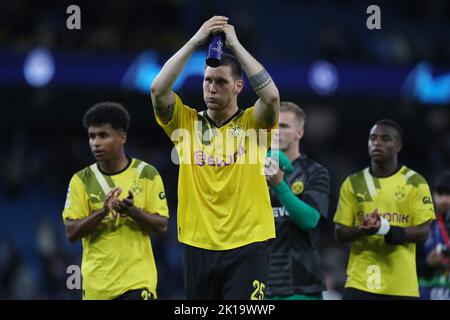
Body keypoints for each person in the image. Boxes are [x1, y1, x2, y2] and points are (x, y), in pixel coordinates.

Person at [150, 16, 280, 299]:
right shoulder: (185, 124)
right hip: (198, 245)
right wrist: (195, 41)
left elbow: (271, 97)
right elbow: (158, 90)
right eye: (207, 81)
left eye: (221, 82)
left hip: (249, 245)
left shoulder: (252, 124)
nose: (211, 88)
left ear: (238, 87)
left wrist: (235, 44)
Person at [62, 102, 169, 300]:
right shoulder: (81, 180)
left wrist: (133, 212)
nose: (96, 143)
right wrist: (102, 212)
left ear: (122, 137)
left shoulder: (146, 173)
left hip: (137, 285)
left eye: (103, 135)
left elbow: (161, 226)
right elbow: (71, 232)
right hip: (97, 289)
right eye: (92, 136)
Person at [334, 119, 435, 300]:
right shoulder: (353, 183)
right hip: (360, 283)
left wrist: (383, 228)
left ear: (398, 146)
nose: (377, 143)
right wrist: (362, 230)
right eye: (373, 138)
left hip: (401, 287)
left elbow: (423, 233)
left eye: (385, 138)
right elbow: (340, 232)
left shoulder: (415, 182)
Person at [265, 102, 330, 300]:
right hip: (261, 283)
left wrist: (280, 185)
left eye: (284, 126)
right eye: (273, 126)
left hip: (301, 286)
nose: (276, 132)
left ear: (299, 133)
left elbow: (309, 221)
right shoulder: (253, 171)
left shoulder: (315, 172)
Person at [418, 171, 450, 299]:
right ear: (433, 195)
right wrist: (427, 264)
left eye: (448, 194)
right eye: (440, 194)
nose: (444, 200)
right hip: (426, 292)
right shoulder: (423, 224)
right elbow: (410, 264)